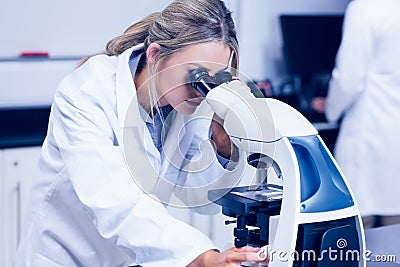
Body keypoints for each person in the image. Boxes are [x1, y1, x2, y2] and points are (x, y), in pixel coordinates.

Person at [16, 0, 267, 266]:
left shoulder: (187, 105)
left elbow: (192, 195)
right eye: (196, 76)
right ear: (156, 55)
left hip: (125, 257)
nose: (201, 90)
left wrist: (222, 148)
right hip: (65, 256)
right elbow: (113, 200)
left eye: (214, 79)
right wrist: (201, 258)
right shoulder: (87, 92)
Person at [324, 0, 400, 228]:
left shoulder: (366, 8)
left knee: (361, 245)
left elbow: (348, 81)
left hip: (371, 138)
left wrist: (330, 111)